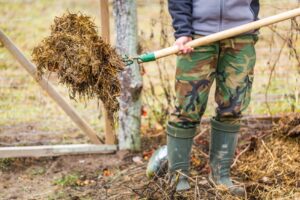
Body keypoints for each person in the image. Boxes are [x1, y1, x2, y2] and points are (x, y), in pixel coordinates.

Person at [148, 0, 260, 197]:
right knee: (187, 108)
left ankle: (221, 176)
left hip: (242, 34)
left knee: (233, 106)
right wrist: (183, 31)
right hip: (197, 38)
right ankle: (179, 176)